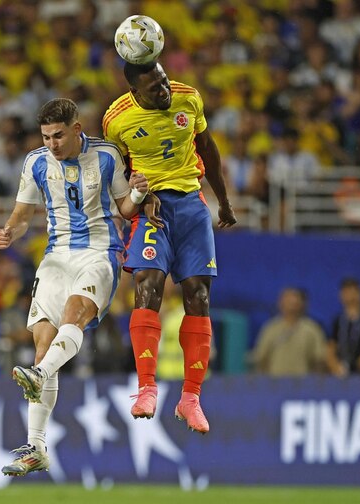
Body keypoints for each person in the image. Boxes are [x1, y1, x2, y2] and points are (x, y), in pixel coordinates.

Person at [0, 98, 148, 476]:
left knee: (72, 316)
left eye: (58, 135)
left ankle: (41, 374)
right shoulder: (36, 163)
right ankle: (37, 447)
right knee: (43, 341)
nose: (52, 144)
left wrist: (139, 194)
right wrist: (10, 231)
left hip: (100, 251)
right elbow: (23, 212)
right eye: (46, 137)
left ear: (77, 129)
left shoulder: (107, 155)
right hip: (55, 256)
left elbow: (124, 208)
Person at [102, 61, 237, 434]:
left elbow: (207, 149)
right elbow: (118, 173)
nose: (163, 90)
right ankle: (146, 388)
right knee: (147, 283)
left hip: (192, 204)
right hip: (151, 207)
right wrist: (139, 198)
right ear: (135, 91)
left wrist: (222, 200)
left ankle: (190, 398)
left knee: (199, 294)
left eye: (163, 81)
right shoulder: (116, 119)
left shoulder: (188, 98)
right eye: (154, 87)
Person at [251, 287, 327, 376]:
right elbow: (261, 358)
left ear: (302, 304)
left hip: (303, 384)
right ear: (280, 303)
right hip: (275, 384)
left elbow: (319, 359)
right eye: (287, 300)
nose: (292, 303)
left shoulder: (312, 329)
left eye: (295, 300)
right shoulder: (270, 328)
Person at [326, 277, 360, 377]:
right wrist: (335, 366)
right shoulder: (338, 320)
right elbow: (331, 347)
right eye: (345, 293)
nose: (349, 296)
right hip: (342, 371)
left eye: (352, 292)